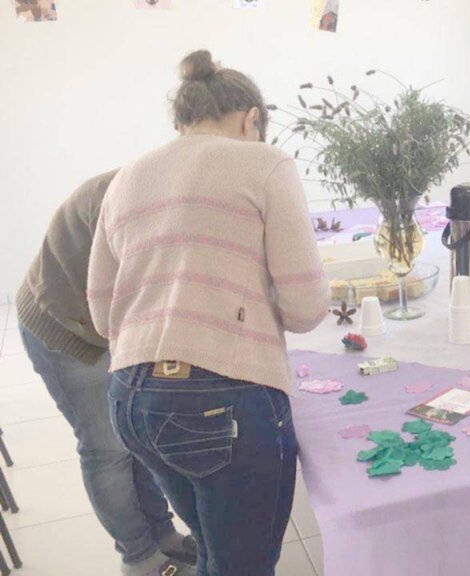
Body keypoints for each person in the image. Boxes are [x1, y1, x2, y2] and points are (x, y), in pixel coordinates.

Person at [88, 50, 330, 576]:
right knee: (241, 564)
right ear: (251, 120)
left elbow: (101, 309)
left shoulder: (128, 176)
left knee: (215, 549)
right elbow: (307, 307)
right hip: (221, 400)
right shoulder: (264, 162)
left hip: (131, 398)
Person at [17, 173, 197, 576]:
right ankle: (140, 558)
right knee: (107, 449)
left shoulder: (174, 201)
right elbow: (117, 300)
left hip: (104, 325)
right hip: (63, 330)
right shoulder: (125, 205)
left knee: (133, 438)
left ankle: (162, 537)